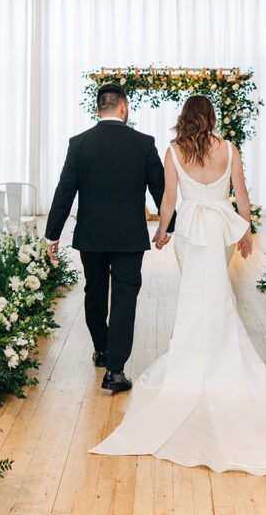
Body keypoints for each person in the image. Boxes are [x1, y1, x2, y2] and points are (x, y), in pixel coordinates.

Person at [90, 95, 266, 475]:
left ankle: (195, 357)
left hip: (188, 231)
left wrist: (163, 232)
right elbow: (242, 196)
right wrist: (245, 231)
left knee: (195, 294)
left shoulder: (173, 151)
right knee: (217, 293)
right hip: (220, 228)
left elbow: (169, 199)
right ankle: (218, 354)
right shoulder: (229, 149)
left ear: (184, 118)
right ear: (212, 118)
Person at [45, 83, 174, 394]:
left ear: (98, 109)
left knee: (95, 293)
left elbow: (65, 191)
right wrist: (166, 228)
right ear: (124, 107)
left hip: (91, 235)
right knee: (125, 298)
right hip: (129, 236)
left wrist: (52, 233)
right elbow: (160, 189)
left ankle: (102, 351)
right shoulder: (144, 143)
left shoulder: (79, 144)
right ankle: (115, 371)